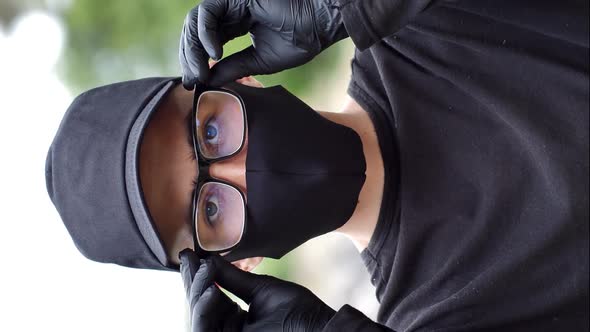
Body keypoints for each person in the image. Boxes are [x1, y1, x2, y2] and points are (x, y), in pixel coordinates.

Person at [45, 0, 588, 331]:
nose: (241, 172)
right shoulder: (440, 317)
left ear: (238, 79)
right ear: (244, 264)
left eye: (209, 132)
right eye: (209, 209)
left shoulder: (415, 21)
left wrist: (342, 5)